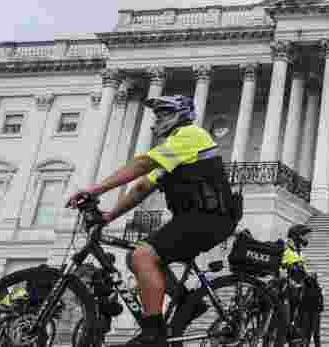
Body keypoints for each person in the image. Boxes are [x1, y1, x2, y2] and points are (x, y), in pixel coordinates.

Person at [65, 95, 239, 346]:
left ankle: (153, 332)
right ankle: (185, 303)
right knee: (135, 255)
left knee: (142, 256)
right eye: (156, 116)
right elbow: (142, 188)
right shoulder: (175, 151)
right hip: (196, 218)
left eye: (162, 115)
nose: (155, 122)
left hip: (210, 217)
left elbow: (143, 163)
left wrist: (95, 190)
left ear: (180, 115)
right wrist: (109, 216)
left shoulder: (191, 134)